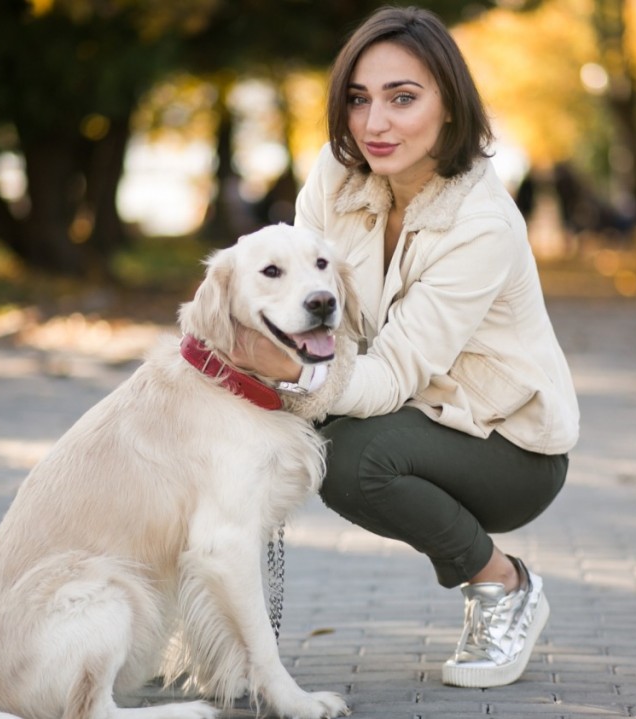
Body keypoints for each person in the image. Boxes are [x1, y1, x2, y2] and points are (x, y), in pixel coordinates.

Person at [230, 5, 579, 689]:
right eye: (358, 99)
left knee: (349, 461)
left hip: (506, 444)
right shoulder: (335, 177)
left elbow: (388, 372)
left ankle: (503, 585)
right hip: (408, 411)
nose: (375, 123)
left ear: (450, 107)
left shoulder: (481, 222)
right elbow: (285, 299)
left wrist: (292, 377)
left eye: (403, 98)